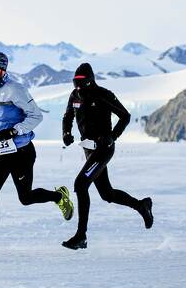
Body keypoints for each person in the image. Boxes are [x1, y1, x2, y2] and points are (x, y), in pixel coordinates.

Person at [0, 51, 73, 260]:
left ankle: (59, 196)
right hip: (2, 152)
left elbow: (36, 116)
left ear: (3, 70)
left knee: (26, 197)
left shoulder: (16, 89)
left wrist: (14, 131)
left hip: (22, 151)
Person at [61, 62, 153, 250]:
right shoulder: (74, 96)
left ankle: (81, 236)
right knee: (107, 194)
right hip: (88, 149)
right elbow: (67, 116)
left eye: (81, 81)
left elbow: (125, 116)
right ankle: (141, 206)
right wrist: (66, 134)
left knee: (80, 185)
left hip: (103, 149)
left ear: (90, 80)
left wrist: (112, 137)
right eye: (75, 81)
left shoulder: (103, 94)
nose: (78, 85)